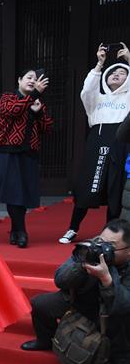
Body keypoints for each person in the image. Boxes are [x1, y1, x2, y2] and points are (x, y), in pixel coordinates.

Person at [21, 219, 130, 364]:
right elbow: (60, 280)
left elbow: (123, 304)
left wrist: (107, 278)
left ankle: (120, 355)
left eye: (111, 246)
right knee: (40, 304)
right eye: (100, 240)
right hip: (78, 300)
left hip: (110, 310)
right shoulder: (90, 249)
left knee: (124, 318)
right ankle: (45, 340)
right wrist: (81, 263)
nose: (103, 248)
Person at [0, 68, 53, 248]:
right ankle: (21, 231)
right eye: (28, 77)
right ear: (19, 80)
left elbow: (47, 128)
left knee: (20, 195)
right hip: (7, 152)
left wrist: (39, 113)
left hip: (28, 153)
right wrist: (33, 96)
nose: (32, 81)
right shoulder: (8, 97)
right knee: (14, 193)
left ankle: (16, 230)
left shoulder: (37, 102)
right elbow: (12, 111)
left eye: (35, 79)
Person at [59, 43, 130, 243]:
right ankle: (72, 228)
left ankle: (109, 235)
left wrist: (129, 61)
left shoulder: (128, 97)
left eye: (122, 73)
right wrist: (100, 64)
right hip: (96, 146)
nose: (116, 74)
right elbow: (86, 90)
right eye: (113, 72)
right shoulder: (97, 99)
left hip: (120, 147)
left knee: (115, 191)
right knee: (86, 187)